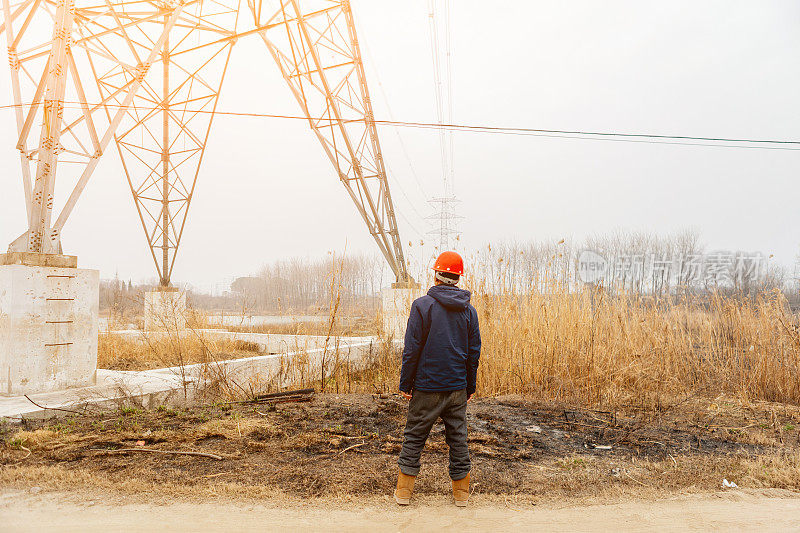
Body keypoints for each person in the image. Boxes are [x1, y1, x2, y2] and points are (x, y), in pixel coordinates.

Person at [394, 251, 481, 507]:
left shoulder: (422, 306)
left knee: (414, 437)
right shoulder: (469, 311)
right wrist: (469, 386)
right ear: (458, 277)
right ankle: (462, 497)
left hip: (426, 387)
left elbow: (412, 349)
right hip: (456, 388)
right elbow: (473, 353)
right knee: (458, 439)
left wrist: (405, 384)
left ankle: (403, 494)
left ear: (436, 274)